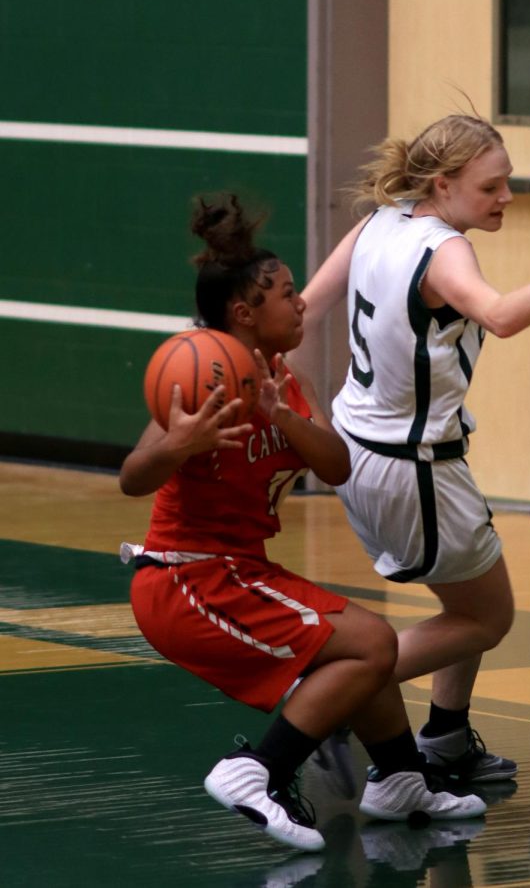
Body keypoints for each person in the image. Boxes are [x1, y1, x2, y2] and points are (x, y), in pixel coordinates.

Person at [119, 194, 487, 855]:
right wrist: (175, 445)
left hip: (242, 569)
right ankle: (258, 771)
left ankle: (400, 778)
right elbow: (133, 477)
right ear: (244, 314)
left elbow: (338, 465)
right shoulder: (208, 375)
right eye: (287, 295)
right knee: (371, 644)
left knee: (362, 648)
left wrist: (284, 416)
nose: (300, 305)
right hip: (188, 581)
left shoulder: (285, 380)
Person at [291, 114, 530, 786]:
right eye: (491, 186)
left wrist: (287, 404)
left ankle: (444, 735)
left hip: (355, 444)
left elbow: (300, 313)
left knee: (473, 585)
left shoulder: (374, 224)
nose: (506, 196)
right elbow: (499, 317)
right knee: (486, 617)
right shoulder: (445, 252)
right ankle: (325, 695)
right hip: (408, 464)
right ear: (442, 185)